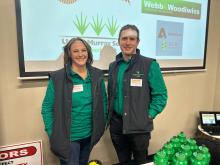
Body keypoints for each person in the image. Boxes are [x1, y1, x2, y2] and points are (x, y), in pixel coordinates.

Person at [41, 37, 107, 165]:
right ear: (69, 54)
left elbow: (103, 102)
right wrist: (53, 133)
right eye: (76, 51)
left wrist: (101, 124)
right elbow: (47, 108)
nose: (81, 54)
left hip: (89, 135)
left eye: (84, 50)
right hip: (68, 139)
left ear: (88, 52)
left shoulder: (96, 74)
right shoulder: (58, 77)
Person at [108, 24, 168, 165]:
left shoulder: (149, 64)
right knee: (123, 160)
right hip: (117, 125)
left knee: (141, 161)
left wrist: (149, 114)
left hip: (139, 126)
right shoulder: (113, 66)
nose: (128, 42)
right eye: (124, 38)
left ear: (137, 42)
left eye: (132, 39)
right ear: (119, 41)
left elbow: (161, 95)